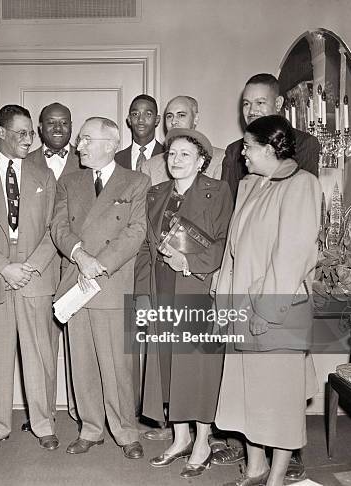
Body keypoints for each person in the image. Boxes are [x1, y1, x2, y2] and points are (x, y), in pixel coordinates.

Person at [215, 74, 320, 481]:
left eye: (249, 149)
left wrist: (267, 311)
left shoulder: (302, 185)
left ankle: (276, 476)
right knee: (247, 393)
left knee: (278, 398)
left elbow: (291, 255)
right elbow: (233, 250)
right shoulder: (248, 186)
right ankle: (255, 465)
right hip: (242, 309)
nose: (243, 155)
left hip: (277, 311)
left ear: (271, 148)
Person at [134, 128, 233, 477]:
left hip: (196, 288)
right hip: (161, 287)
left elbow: (224, 243)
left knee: (197, 368)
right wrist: (143, 296)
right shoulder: (155, 193)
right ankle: (179, 438)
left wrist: (189, 263)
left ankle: (202, 441)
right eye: (172, 154)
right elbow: (146, 249)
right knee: (169, 366)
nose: (176, 160)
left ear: (202, 160)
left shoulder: (218, 191)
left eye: (185, 155)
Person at [0, 104, 59, 453]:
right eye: (21, 133)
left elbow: (55, 229)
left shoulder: (45, 176)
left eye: (31, 133)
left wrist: (30, 266)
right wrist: (4, 267)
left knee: (40, 355)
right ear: (1, 133)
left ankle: (44, 423)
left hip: (36, 275)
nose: (29, 139)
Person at [51, 116, 149, 460]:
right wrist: (81, 256)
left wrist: (100, 263)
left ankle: (126, 432)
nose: (79, 146)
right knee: (83, 363)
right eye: (80, 140)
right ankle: (90, 429)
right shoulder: (69, 182)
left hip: (111, 281)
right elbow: (59, 227)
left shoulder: (136, 181)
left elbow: (136, 231)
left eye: (86, 139)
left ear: (111, 143)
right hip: (77, 282)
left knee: (118, 366)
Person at [22, 102, 82, 431]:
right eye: (51, 123)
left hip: (77, 263)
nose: (58, 128)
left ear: (72, 127)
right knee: (42, 343)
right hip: (39, 265)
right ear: (40, 128)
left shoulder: (88, 161)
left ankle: (82, 410)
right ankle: (42, 413)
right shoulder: (24, 162)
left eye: (64, 122)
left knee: (81, 340)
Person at [221, 73, 320, 202]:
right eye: (246, 104)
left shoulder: (304, 144)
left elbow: (305, 198)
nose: (251, 111)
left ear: (278, 103)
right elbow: (225, 205)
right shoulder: (234, 151)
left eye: (260, 103)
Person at [140, 96, 226, 184]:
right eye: (169, 116)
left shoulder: (221, 159)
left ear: (195, 119)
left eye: (181, 115)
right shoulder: (150, 166)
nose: (173, 121)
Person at [115, 94, 164, 171]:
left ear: (157, 120)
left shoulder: (167, 156)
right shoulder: (116, 159)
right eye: (135, 114)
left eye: (148, 114)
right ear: (129, 119)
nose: (141, 119)